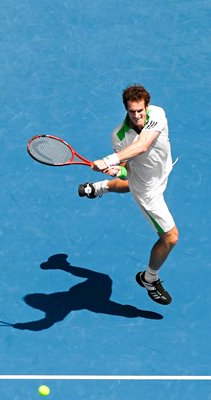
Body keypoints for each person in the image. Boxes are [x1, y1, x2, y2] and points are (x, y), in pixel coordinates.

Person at [78, 84, 178, 305]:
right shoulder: (119, 136)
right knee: (170, 238)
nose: (137, 115)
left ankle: (98, 187)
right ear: (126, 109)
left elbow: (142, 146)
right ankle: (149, 278)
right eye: (132, 111)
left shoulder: (158, 114)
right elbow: (127, 170)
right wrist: (118, 168)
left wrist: (109, 162)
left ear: (147, 106)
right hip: (148, 191)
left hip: (162, 172)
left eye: (140, 110)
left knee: (130, 183)